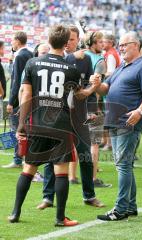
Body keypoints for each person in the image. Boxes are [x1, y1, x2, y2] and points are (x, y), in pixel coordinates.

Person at [8, 24, 99, 226]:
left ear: (48, 41)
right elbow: (79, 96)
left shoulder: (33, 63)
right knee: (61, 172)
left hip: (38, 123)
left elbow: (26, 94)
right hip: (61, 125)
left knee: (28, 169)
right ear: (67, 44)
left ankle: (15, 213)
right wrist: (93, 86)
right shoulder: (72, 70)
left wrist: (22, 124)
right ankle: (59, 218)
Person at [37, 25, 105, 210]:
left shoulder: (85, 60)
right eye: (66, 40)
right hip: (57, 117)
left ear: (78, 41)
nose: (68, 43)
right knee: (52, 156)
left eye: (72, 40)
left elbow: (89, 89)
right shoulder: (60, 59)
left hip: (78, 116)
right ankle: (48, 197)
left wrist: (92, 109)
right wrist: (71, 57)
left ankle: (89, 196)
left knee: (85, 156)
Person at [90, 32, 142, 221]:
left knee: (123, 166)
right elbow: (106, 89)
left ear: (135, 45)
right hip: (116, 121)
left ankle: (120, 210)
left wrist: (139, 112)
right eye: (120, 45)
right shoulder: (121, 67)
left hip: (128, 122)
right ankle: (130, 207)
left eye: (124, 45)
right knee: (125, 165)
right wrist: (97, 84)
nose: (121, 48)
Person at [84, 30, 111, 188]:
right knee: (94, 144)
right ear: (94, 43)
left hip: (75, 103)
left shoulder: (79, 55)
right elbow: (97, 87)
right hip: (91, 104)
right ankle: (93, 179)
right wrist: (98, 108)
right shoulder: (100, 60)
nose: (103, 44)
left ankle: (71, 176)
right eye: (101, 42)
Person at [2, 31, 33, 169]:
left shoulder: (20, 56)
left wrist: (10, 102)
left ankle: (17, 159)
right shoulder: (29, 54)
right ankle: (25, 158)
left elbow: (16, 81)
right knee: (25, 129)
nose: (11, 43)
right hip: (29, 96)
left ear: (18, 41)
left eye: (12, 41)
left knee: (17, 129)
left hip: (20, 98)